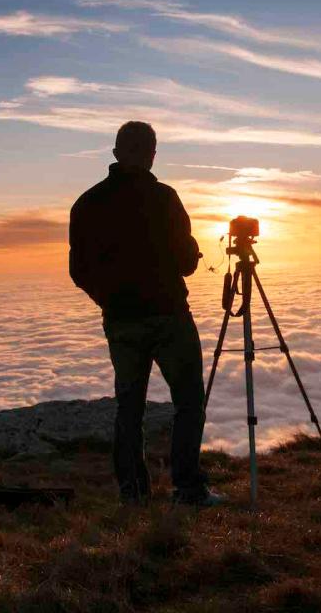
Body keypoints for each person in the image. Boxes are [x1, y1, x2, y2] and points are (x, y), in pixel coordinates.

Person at [69, 121, 223, 506]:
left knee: (129, 407)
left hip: (121, 321)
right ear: (152, 154)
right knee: (188, 401)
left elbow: (79, 270)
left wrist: (108, 299)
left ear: (117, 151)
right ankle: (187, 488)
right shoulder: (165, 199)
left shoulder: (87, 204)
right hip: (169, 314)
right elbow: (187, 262)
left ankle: (133, 494)